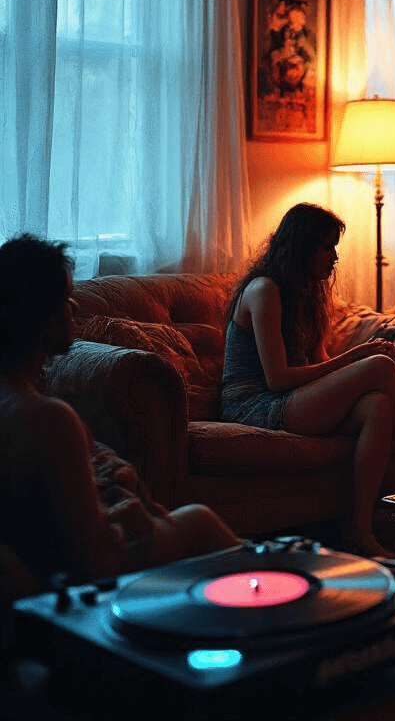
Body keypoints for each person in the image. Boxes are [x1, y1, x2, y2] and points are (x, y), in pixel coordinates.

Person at [0, 235, 239, 599]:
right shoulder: (47, 418)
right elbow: (100, 559)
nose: (75, 308)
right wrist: (123, 518)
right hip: (73, 581)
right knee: (199, 521)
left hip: (50, 557)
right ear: (41, 316)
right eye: (65, 299)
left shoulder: (18, 399)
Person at [222, 203, 395, 557]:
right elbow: (277, 378)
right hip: (254, 405)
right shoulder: (264, 290)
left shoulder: (308, 292)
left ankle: (358, 528)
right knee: (376, 367)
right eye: (327, 246)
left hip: (291, 397)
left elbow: (320, 363)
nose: (335, 256)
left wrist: (362, 371)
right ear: (303, 246)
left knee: (378, 405)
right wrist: (359, 360)